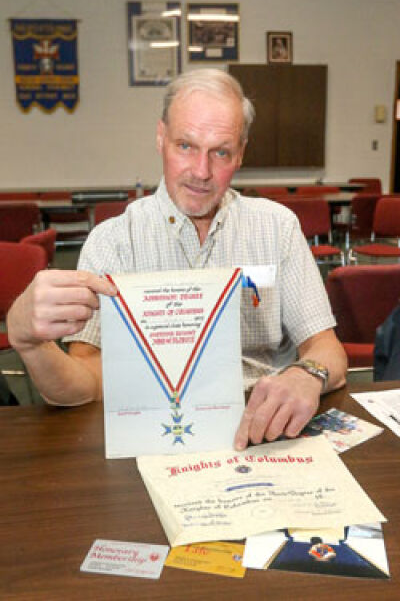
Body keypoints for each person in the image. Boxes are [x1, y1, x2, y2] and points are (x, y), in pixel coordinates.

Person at [6, 68, 347, 450]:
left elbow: (327, 349)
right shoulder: (114, 243)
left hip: (263, 427)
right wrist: (31, 344)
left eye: (221, 152)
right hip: (156, 434)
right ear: (160, 138)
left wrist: (307, 374)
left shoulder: (277, 227)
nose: (202, 172)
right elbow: (86, 386)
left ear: (241, 153)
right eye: (186, 146)